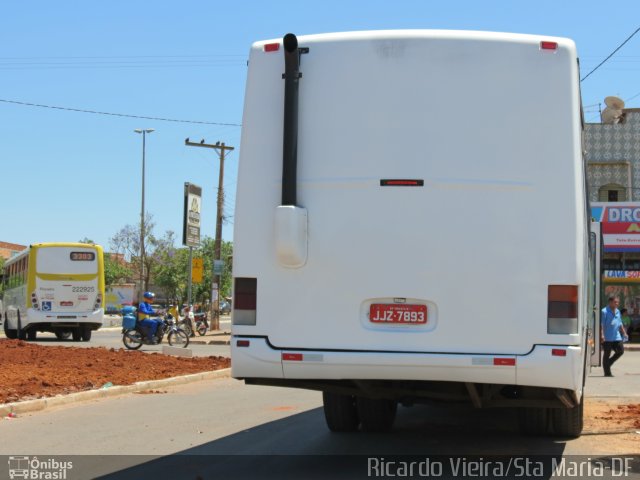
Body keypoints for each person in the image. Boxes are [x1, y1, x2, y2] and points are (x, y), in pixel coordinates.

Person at [600, 296, 628, 377]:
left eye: (617, 302)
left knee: (621, 351)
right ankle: (607, 373)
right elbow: (601, 324)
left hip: (616, 336)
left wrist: (624, 333)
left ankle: (609, 362)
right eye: (615, 302)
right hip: (607, 337)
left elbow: (620, 323)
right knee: (607, 354)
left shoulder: (618, 311)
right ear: (610, 302)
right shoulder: (604, 311)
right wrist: (602, 335)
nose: (617, 304)